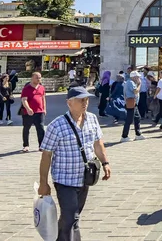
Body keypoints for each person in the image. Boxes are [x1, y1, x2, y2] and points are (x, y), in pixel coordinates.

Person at [38, 87, 111, 240]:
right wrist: (43, 183)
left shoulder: (92, 119)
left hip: (85, 178)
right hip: (64, 179)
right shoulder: (56, 125)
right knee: (72, 218)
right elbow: (46, 155)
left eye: (86, 99)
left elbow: (98, 143)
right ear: (69, 103)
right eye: (80, 100)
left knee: (71, 217)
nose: (85, 103)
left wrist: (105, 162)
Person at [21, 72, 46, 153]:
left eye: (40, 77)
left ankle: (41, 145)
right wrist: (28, 109)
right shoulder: (26, 88)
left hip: (39, 111)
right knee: (26, 128)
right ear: (32, 78)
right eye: (37, 77)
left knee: (41, 129)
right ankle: (26, 145)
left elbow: (43, 98)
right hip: (28, 112)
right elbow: (24, 100)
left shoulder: (41, 87)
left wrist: (44, 109)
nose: (39, 79)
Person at [121, 71, 145, 142]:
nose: (138, 78)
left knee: (137, 118)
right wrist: (139, 84)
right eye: (137, 77)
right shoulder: (131, 82)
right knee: (129, 120)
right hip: (131, 102)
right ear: (134, 77)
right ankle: (124, 136)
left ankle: (138, 134)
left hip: (133, 103)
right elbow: (136, 91)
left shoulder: (129, 82)